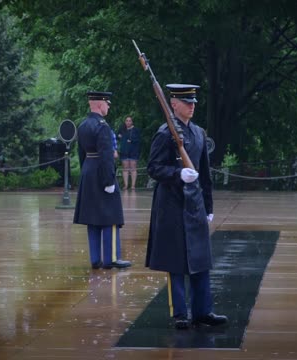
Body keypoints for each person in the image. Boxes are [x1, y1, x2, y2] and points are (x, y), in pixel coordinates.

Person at [146, 84, 227, 330]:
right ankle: (180, 312)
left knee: (200, 259)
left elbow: (205, 174)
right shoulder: (165, 133)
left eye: (193, 102)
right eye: (187, 102)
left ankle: (203, 312)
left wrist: (209, 206)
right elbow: (154, 168)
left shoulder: (199, 133)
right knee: (176, 262)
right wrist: (178, 173)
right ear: (173, 104)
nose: (192, 106)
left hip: (194, 204)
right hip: (171, 204)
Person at [74, 91, 132, 270]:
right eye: (107, 103)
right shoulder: (103, 126)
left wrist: (86, 171)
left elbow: (81, 153)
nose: (108, 106)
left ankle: (95, 258)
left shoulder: (82, 125)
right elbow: (107, 156)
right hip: (101, 172)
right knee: (111, 217)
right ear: (100, 104)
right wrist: (108, 182)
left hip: (88, 171)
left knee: (92, 218)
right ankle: (111, 258)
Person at [117, 116, 141, 189]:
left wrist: (132, 141)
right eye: (127, 121)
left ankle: (133, 185)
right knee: (125, 168)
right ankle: (126, 185)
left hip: (133, 152)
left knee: (133, 168)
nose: (128, 122)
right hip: (124, 151)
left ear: (132, 122)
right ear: (125, 122)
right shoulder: (122, 129)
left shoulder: (136, 130)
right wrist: (119, 136)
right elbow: (117, 136)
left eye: (129, 121)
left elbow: (139, 140)